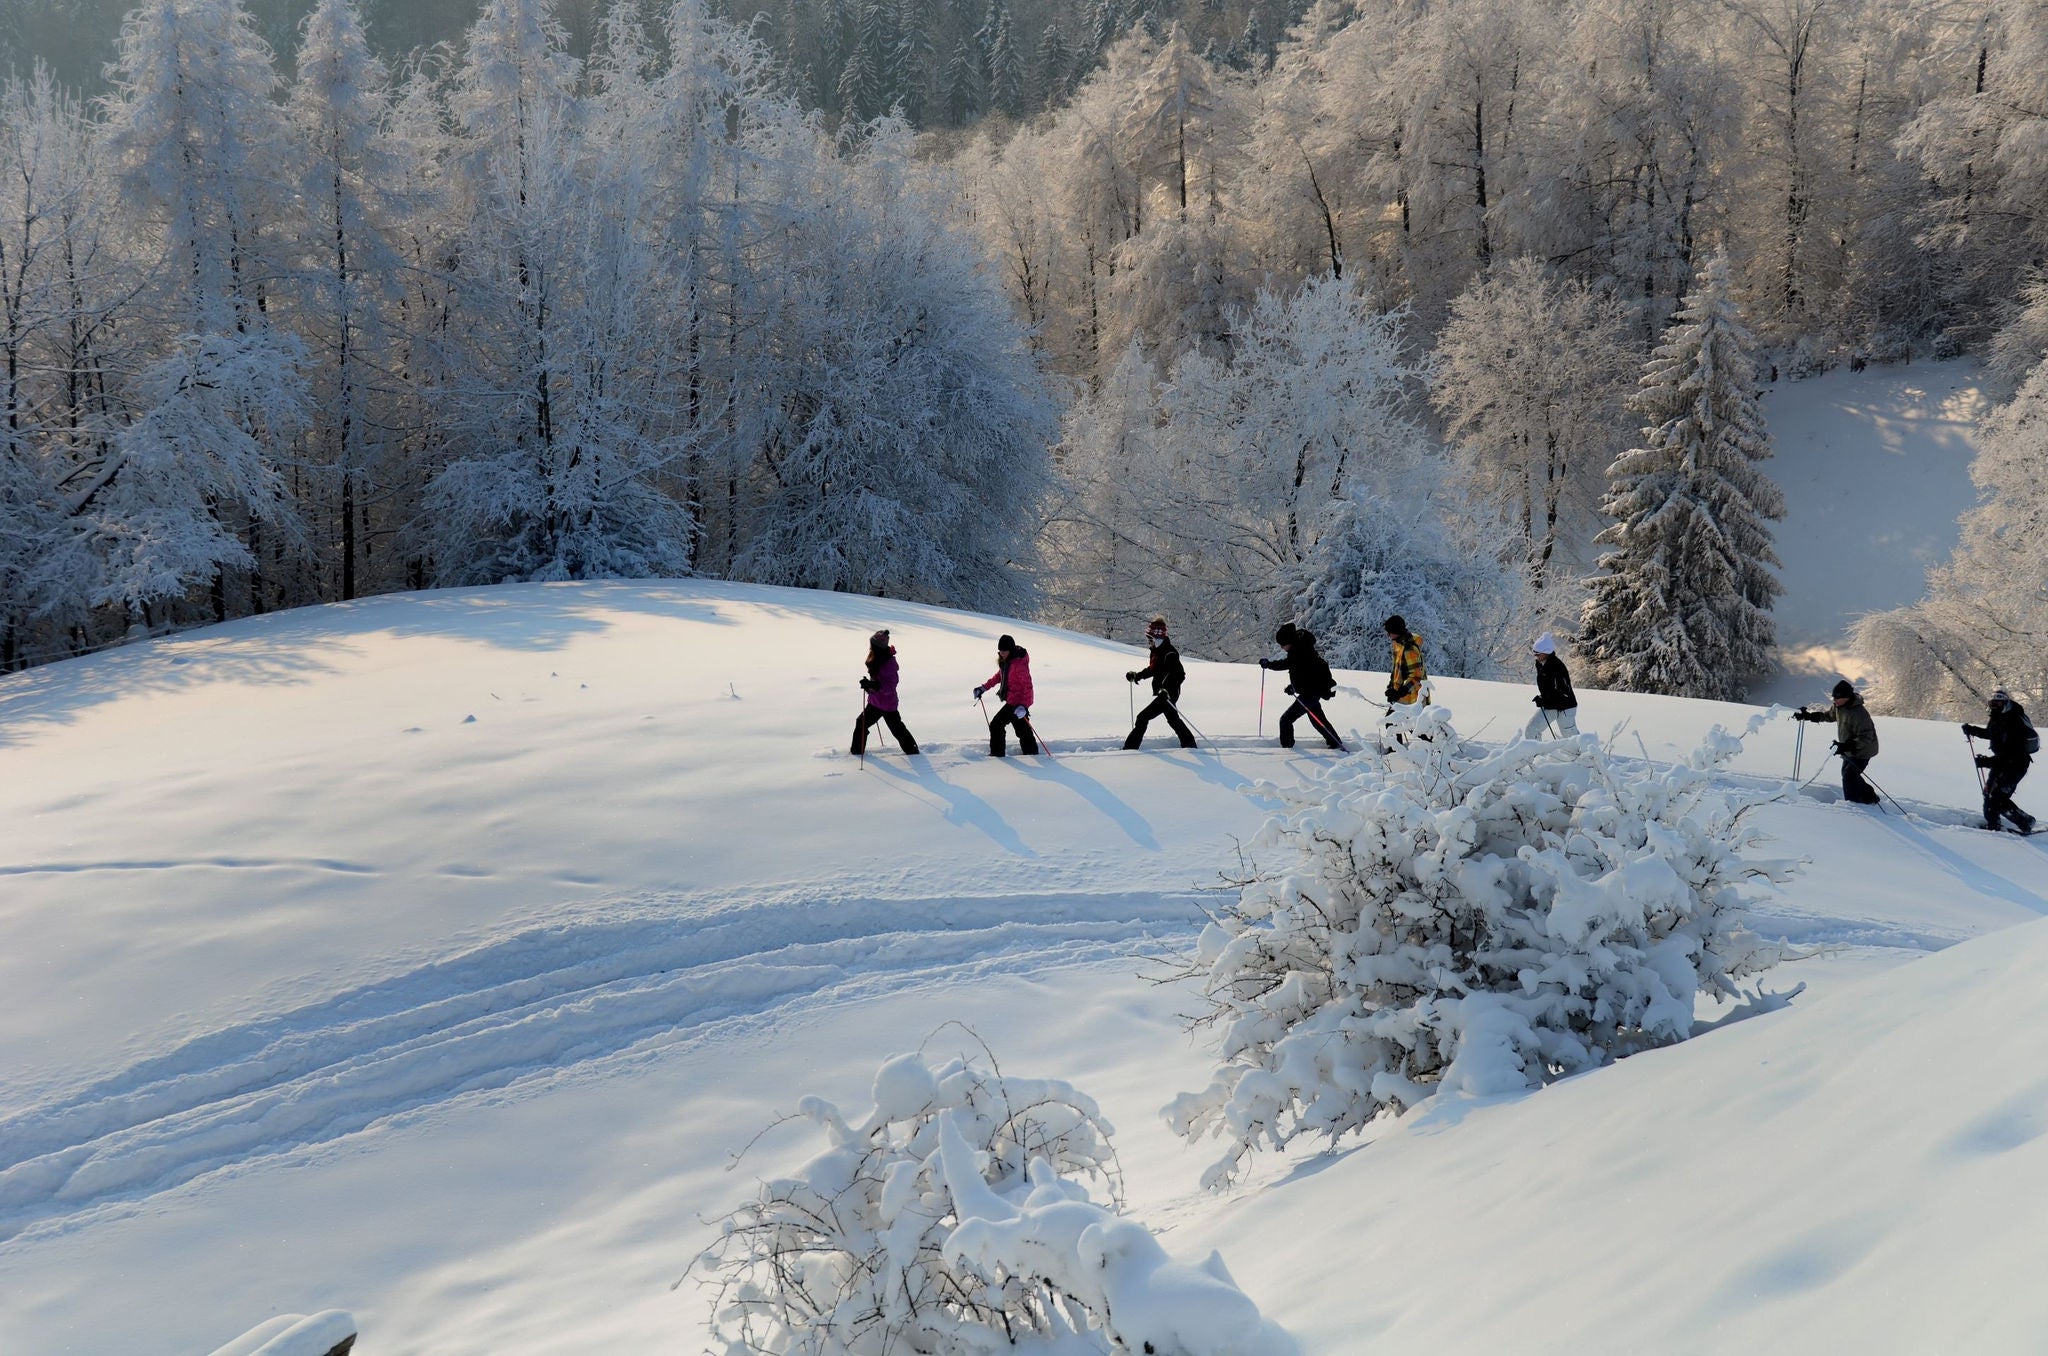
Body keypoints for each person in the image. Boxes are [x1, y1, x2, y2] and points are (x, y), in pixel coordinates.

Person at [1259, 623, 1345, 750]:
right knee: (1318, 721)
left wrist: (1269, 665)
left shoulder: (1301, 652)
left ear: (1289, 641)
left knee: (1285, 720)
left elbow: (1290, 665)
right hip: (1311, 692)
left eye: (1283, 644)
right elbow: (1302, 674)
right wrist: (1293, 686)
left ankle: (1287, 749)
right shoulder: (1300, 649)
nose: (1282, 648)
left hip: (1311, 693)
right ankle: (1335, 742)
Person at [1795, 679, 1880, 805]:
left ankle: (1854, 804)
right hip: (1848, 748)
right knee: (1850, 774)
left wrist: (1846, 746)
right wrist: (1809, 716)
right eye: (1833, 698)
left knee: (1849, 775)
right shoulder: (1839, 707)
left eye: (1837, 698)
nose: (1834, 701)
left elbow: (1866, 737)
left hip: (1863, 750)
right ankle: (1870, 797)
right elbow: (1829, 716)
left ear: (1846, 697)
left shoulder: (1859, 713)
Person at [1963, 689, 2036, 834]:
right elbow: (1991, 734)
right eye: (1992, 702)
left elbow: (2011, 752)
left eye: (1998, 702)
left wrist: (1988, 762)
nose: (1994, 705)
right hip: (2001, 762)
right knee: (1989, 795)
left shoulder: (2013, 721)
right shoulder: (1998, 717)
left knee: (1998, 799)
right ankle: (1994, 825)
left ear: (2006, 703)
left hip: (2016, 764)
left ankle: (2025, 821)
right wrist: (1972, 730)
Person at [1124, 617, 1196, 749]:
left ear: (1158, 639)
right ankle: (1190, 745)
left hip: (1169, 693)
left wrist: (1166, 690)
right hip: (1164, 693)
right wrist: (1137, 676)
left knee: (1142, 717)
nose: (1148, 642)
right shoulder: (1157, 652)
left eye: (1150, 639)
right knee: (1173, 720)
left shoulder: (1170, 653)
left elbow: (1179, 675)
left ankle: (1130, 748)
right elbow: (1153, 670)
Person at [850, 628, 918, 756]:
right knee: (862, 723)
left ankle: (913, 751)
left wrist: (874, 686)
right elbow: (877, 682)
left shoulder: (888, 663)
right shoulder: (877, 659)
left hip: (887, 704)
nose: (870, 647)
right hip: (876, 702)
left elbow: (890, 686)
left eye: (872, 645)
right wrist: (868, 686)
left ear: (877, 647)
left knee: (897, 729)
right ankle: (856, 752)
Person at [974, 634, 1038, 756]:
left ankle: (997, 754)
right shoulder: (1007, 662)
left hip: (1018, 703)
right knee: (1022, 730)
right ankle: (1031, 752)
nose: (1001, 654)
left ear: (1011, 649)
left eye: (1004, 651)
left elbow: (1028, 687)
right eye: (1000, 651)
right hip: (1012, 700)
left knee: (996, 725)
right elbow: (999, 677)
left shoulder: (1018, 665)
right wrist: (983, 688)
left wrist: (1024, 706)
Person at [1526, 633, 1579, 739]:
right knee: (1531, 731)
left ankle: (1589, 755)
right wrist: (1543, 698)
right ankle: (1536, 755)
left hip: (1565, 708)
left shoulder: (1556, 667)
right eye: (1534, 653)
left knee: (1571, 740)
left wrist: (1545, 700)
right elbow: (1550, 689)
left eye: (1537, 654)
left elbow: (1564, 693)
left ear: (1546, 652)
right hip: (1551, 705)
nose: (1535, 656)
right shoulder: (1541, 664)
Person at [1384, 615, 1426, 707]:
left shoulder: (1409, 649)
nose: (1388, 635)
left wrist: (1399, 692)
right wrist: (1391, 687)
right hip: (1401, 699)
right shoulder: (1399, 646)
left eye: (1389, 632)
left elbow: (1416, 677)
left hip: (1412, 701)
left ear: (1396, 631)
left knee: (1390, 721)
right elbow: (1397, 670)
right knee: (1388, 721)